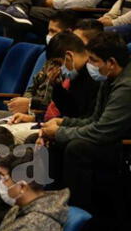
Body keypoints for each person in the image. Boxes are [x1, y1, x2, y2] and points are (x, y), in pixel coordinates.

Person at [40, 31, 131, 212]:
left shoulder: (126, 87)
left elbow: (101, 131)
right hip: (112, 138)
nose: (89, 64)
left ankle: (79, 215)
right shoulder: (110, 78)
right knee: (57, 143)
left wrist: (59, 132)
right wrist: (61, 123)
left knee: (77, 147)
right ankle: (51, 207)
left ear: (111, 63)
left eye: (93, 60)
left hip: (124, 145)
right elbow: (93, 120)